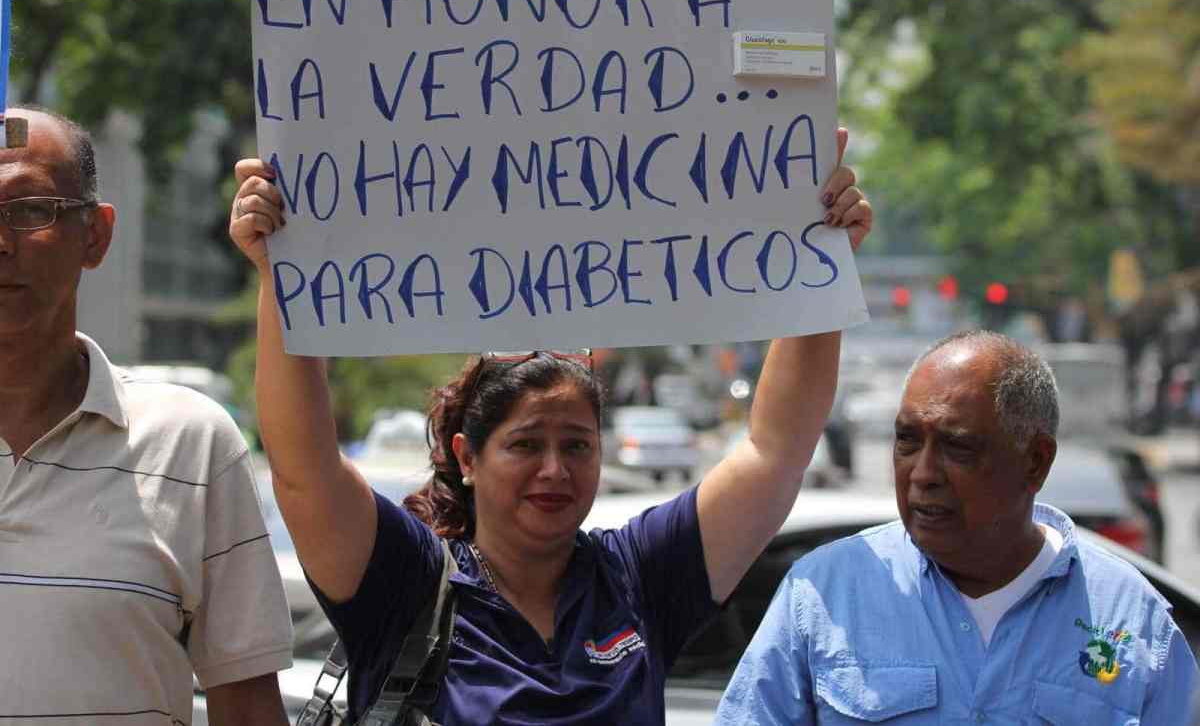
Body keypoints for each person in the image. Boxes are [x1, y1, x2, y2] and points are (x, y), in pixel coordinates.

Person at [228, 127, 872, 724]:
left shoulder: (641, 576)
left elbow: (774, 450)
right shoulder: (406, 582)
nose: (555, 469)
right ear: (467, 457)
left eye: (578, 445)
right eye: (526, 444)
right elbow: (304, 467)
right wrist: (278, 273)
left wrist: (822, 260)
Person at [717, 330, 1199, 725]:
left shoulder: (1133, 621)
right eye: (907, 441)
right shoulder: (823, 593)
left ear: (1035, 462)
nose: (923, 474)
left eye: (957, 447)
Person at [0, 108, 293, 725]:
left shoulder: (189, 444)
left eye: (31, 210)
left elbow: (247, 707)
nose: (1, 239)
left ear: (96, 236)